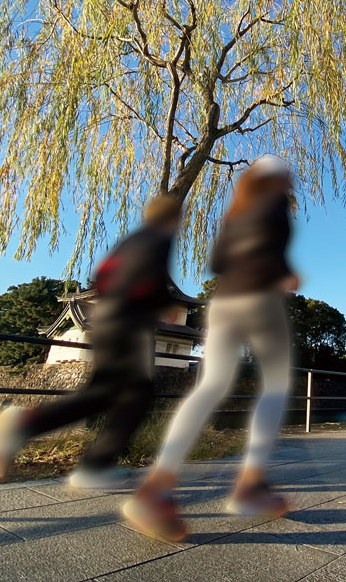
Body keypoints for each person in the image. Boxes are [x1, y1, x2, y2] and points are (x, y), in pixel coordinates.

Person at [123, 154, 298, 542]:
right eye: (285, 174)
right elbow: (271, 245)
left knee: (210, 386)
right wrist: (284, 271)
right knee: (275, 387)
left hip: (222, 302)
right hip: (259, 298)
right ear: (276, 178)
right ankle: (250, 485)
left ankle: (157, 487)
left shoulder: (235, 212)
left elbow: (217, 261)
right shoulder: (275, 202)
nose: (290, 180)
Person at [0, 195, 182, 488]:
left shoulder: (129, 240)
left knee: (106, 393)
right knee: (135, 393)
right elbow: (149, 276)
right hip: (129, 322)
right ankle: (88, 461)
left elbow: (101, 277)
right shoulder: (159, 237)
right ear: (172, 218)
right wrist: (163, 304)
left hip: (103, 317)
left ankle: (75, 453)